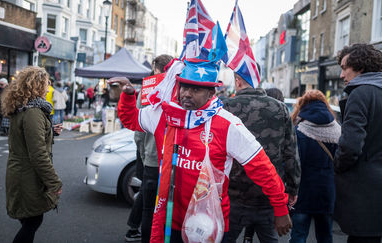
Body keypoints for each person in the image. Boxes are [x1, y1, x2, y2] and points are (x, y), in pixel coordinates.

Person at [110, 55, 292, 242]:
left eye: (195, 89)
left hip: (206, 224)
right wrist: (129, 95)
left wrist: (280, 207)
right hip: (168, 219)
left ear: (211, 93)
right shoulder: (165, 114)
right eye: (184, 87)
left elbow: (261, 167)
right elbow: (131, 119)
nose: (187, 93)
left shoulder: (227, 124)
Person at [223, 73, 300, 243]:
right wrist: (293, 188)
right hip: (267, 195)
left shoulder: (225, 106)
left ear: (237, 80)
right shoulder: (280, 108)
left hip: (232, 194)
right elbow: (290, 153)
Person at [1, 66, 63, 243]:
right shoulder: (33, 112)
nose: (48, 87)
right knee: (33, 221)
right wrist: (54, 182)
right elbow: (38, 154)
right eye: (45, 83)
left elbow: (27, 138)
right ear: (36, 86)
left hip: (21, 173)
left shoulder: (23, 108)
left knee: (30, 220)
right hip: (26, 176)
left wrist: (50, 131)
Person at [334, 43, 382, 243]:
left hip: (365, 193)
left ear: (360, 67)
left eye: (345, 68)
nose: (342, 75)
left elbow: (351, 146)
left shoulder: (360, 93)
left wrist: (337, 164)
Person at [125, 54, 174, 242]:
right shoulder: (179, 92)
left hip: (152, 160)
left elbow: (138, 132)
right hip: (172, 160)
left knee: (149, 209)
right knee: (168, 207)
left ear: (156, 69)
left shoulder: (147, 91)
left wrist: (144, 156)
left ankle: (140, 235)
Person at [289, 90, 340, 243]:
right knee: (325, 236)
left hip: (303, 192)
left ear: (303, 106)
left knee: (299, 235)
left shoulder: (300, 131)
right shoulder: (338, 130)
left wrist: (290, 190)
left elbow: (294, 165)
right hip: (327, 191)